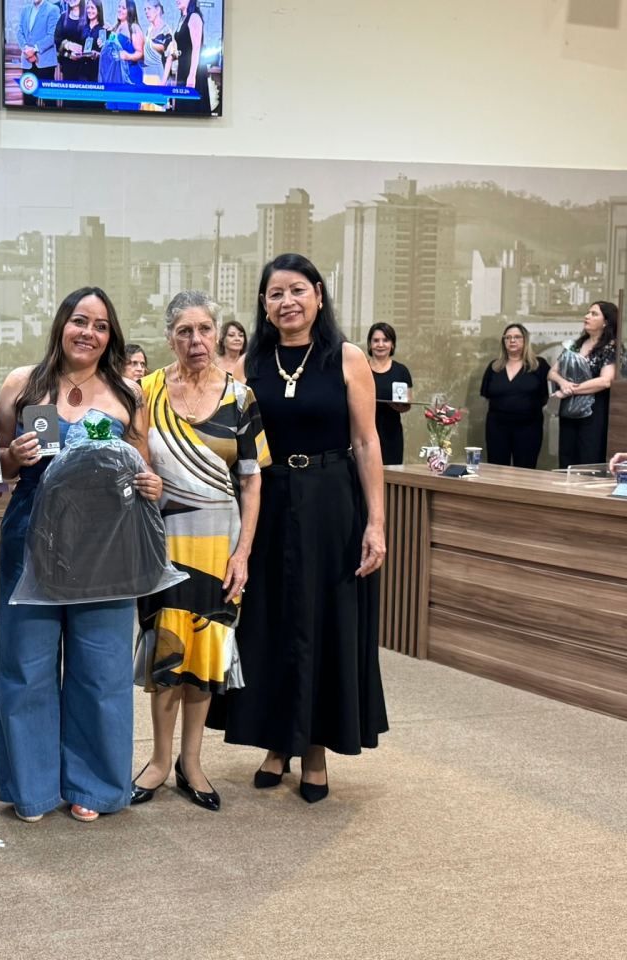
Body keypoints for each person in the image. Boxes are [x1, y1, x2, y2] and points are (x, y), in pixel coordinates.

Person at [219, 253, 388, 803]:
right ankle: (276, 742)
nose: (287, 301)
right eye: (275, 294)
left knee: (324, 621)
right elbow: (233, 444)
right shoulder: (250, 363)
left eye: (297, 290)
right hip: (268, 502)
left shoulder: (347, 357)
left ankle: (315, 749)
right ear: (263, 305)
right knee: (270, 622)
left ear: (318, 293)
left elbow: (366, 441)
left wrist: (377, 523)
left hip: (332, 501)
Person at [0, 286, 163, 823]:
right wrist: (12, 456)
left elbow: (142, 466)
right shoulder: (23, 384)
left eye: (101, 325)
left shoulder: (129, 394)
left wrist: (152, 484)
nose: (88, 332)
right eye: (79, 320)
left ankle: (94, 783)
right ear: (61, 324)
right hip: (32, 536)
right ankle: (33, 787)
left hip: (106, 542)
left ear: (111, 337)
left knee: (102, 665)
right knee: (26, 663)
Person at [131, 291, 268, 813]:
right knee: (165, 650)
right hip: (161, 545)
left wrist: (243, 553)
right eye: (184, 331)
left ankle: (192, 762)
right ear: (170, 338)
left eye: (205, 329)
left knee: (207, 651)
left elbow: (252, 482)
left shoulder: (240, 397)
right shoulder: (145, 392)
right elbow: (135, 464)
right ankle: (158, 760)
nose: (196, 340)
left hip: (219, 548)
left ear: (217, 333)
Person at [550, 301, 618, 468]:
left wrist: (569, 390)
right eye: (588, 313)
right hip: (569, 411)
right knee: (567, 458)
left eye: (594, 314)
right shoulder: (575, 344)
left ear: (606, 321)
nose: (587, 316)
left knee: (589, 458)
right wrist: (563, 383)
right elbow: (552, 373)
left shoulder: (611, 347)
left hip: (594, 413)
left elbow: (605, 381)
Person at [479, 323, 551, 468]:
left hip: (529, 427)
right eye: (508, 337)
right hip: (497, 427)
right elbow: (486, 395)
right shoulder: (494, 367)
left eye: (517, 337)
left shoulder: (539, 365)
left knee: (525, 470)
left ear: (525, 340)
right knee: (496, 469)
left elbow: (547, 395)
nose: (512, 340)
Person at [366, 322, 413, 465]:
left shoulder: (401, 371)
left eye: (385, 340)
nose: (380, 344)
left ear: (392, 344)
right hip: (364, 433)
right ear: (369, 344)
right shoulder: (361, 369)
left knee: (391, 473)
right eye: (376, 340)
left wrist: (399, 406)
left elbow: (407, 405)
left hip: (391, 434)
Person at [170, 0, 211, 114]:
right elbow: (185, 47)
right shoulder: (182, 18)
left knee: (191, 108)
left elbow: (196, 48)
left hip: (193, 71)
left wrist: (192, 75)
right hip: (183, 70)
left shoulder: (194, 17)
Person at [17, 0, 60, 107]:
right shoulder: (25, 10)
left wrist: (34, 49)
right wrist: (26, 48)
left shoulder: (53, 9)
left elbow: (52, 36)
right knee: (28, 101)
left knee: (49, 102)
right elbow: (19, 32)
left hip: (45, 63)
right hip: (27, 62)